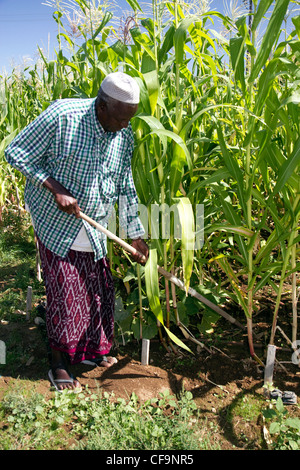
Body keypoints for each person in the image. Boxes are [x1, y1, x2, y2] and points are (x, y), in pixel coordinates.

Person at [5, 71, 149, 392]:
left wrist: (135, 234)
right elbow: (16, 152)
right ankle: (59, 363)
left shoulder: (123, 135)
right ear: (102, 106)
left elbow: (125, 186)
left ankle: (89, 353)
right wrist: (55, 187)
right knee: (67, 295)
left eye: (130, 120)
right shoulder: (63, 117)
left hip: (95, 224)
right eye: (121, 119)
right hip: (56, 222)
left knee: (97, 292)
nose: (126, 126)